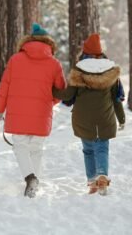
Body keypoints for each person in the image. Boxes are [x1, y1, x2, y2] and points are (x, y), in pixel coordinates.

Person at [0, 23, 66, 198]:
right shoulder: (54, 63)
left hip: (18, 113)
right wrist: (50, 101)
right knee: (36, 148)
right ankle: (35, 183)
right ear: (48, 43)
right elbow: (61, 90)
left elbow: (4, 87)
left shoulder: (15, 59)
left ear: (27, 41)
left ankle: (30, 178)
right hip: (42, 112)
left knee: (20, 145)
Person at [52, 33, 125, 195]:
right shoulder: (111, 71)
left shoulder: (78, 70)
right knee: (102, 149)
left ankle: (92, 183)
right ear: (101, 52)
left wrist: (51, 89)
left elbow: (67, 95)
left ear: (85, 51)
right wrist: (122, 119)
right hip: (104, 118)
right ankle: (102, 176)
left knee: (88, 151)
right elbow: (116, 99)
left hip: (83, 119)